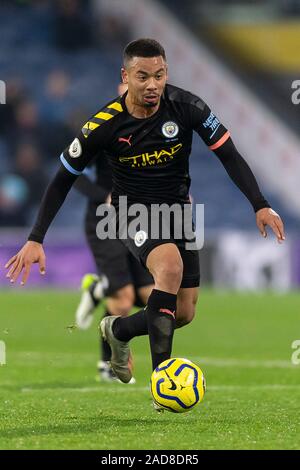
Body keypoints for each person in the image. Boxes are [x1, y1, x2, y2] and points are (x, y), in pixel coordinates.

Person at [5, 39, 285, 402]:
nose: (152, 84)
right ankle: (162, 385)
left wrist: (259, 204)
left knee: (182, 313)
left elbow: (229, 156)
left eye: (159, 74)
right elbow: (63, 177)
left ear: (166, 72)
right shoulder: (103, 124)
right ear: (126, 76)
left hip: (178, 213)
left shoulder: (188, 106)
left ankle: (118, 330)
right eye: (142, 76)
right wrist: (36, 237)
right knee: (168, 268)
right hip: (130, 211)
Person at [73, 83, 154, 381]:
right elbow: (73, 174)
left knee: (152, 298)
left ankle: (99, 288)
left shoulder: (156, 130)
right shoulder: (103, 126)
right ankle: (108, 365)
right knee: (122, 299)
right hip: (104, 220)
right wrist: (103, 195)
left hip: (138, 220)